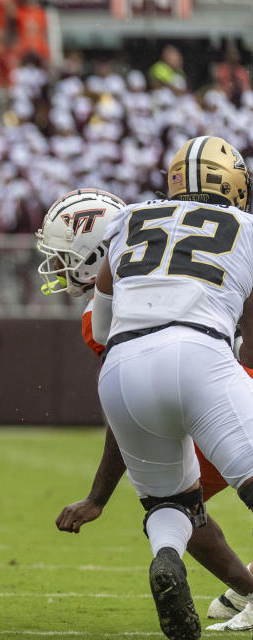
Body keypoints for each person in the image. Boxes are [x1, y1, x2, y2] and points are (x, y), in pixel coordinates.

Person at [38, 189, 253, 629]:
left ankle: (242, 587)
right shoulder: (215, 233)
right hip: (216, 373)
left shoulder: (103, 310)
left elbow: (127, 409)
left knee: (175, 507)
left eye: (64, 255)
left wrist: (98, 497)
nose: (58, 268)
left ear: (100, 251)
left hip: (157, 379)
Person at [90, 135, 253, 640]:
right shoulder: (246, 225)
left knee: (171, 502)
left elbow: (99, 329)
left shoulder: (128, 218)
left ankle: (166, 557)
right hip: (200, 353)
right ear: (232, 184)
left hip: (121, 369)